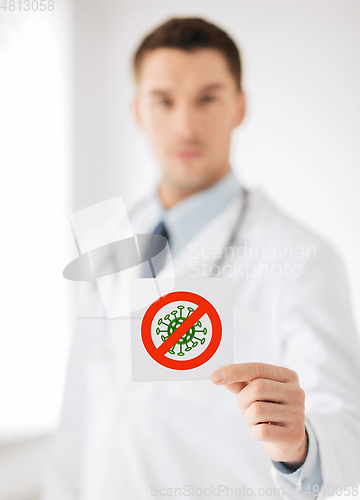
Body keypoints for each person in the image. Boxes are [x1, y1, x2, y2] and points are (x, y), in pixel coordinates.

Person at [43, 18, 360, 500]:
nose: (186, 125)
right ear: (137, 111)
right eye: (164, 101)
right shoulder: (107, 238)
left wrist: (300, 444)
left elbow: (347, 430)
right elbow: (81, 409)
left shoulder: (301, 257)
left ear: (240, 105)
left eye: (207, 98)